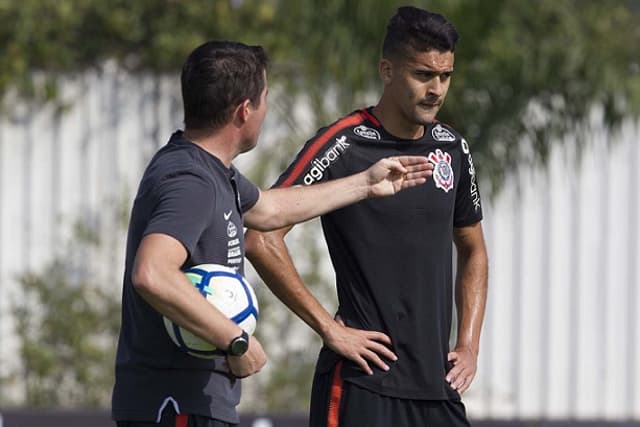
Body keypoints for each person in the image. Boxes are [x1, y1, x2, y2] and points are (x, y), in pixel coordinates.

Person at [111, 40, 434, 427]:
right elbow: (153, 273)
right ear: (244, 111)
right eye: (264, 98)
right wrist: (236, 339)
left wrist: (366, 183)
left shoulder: (214, 172)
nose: (266, 109)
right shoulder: (192, 181)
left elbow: (270, 209)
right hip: (175, 403)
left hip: (192, 403)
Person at [245, 6, 488, 427]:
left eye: (445, 76)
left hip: (437, 389)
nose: (436, 89)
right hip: (363, 384)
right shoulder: (343, 144)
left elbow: (474, 250)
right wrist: (328, 328)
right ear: (387, 70)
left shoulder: (452, 148)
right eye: (423, 75)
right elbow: (261, 237)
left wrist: (468, 345)